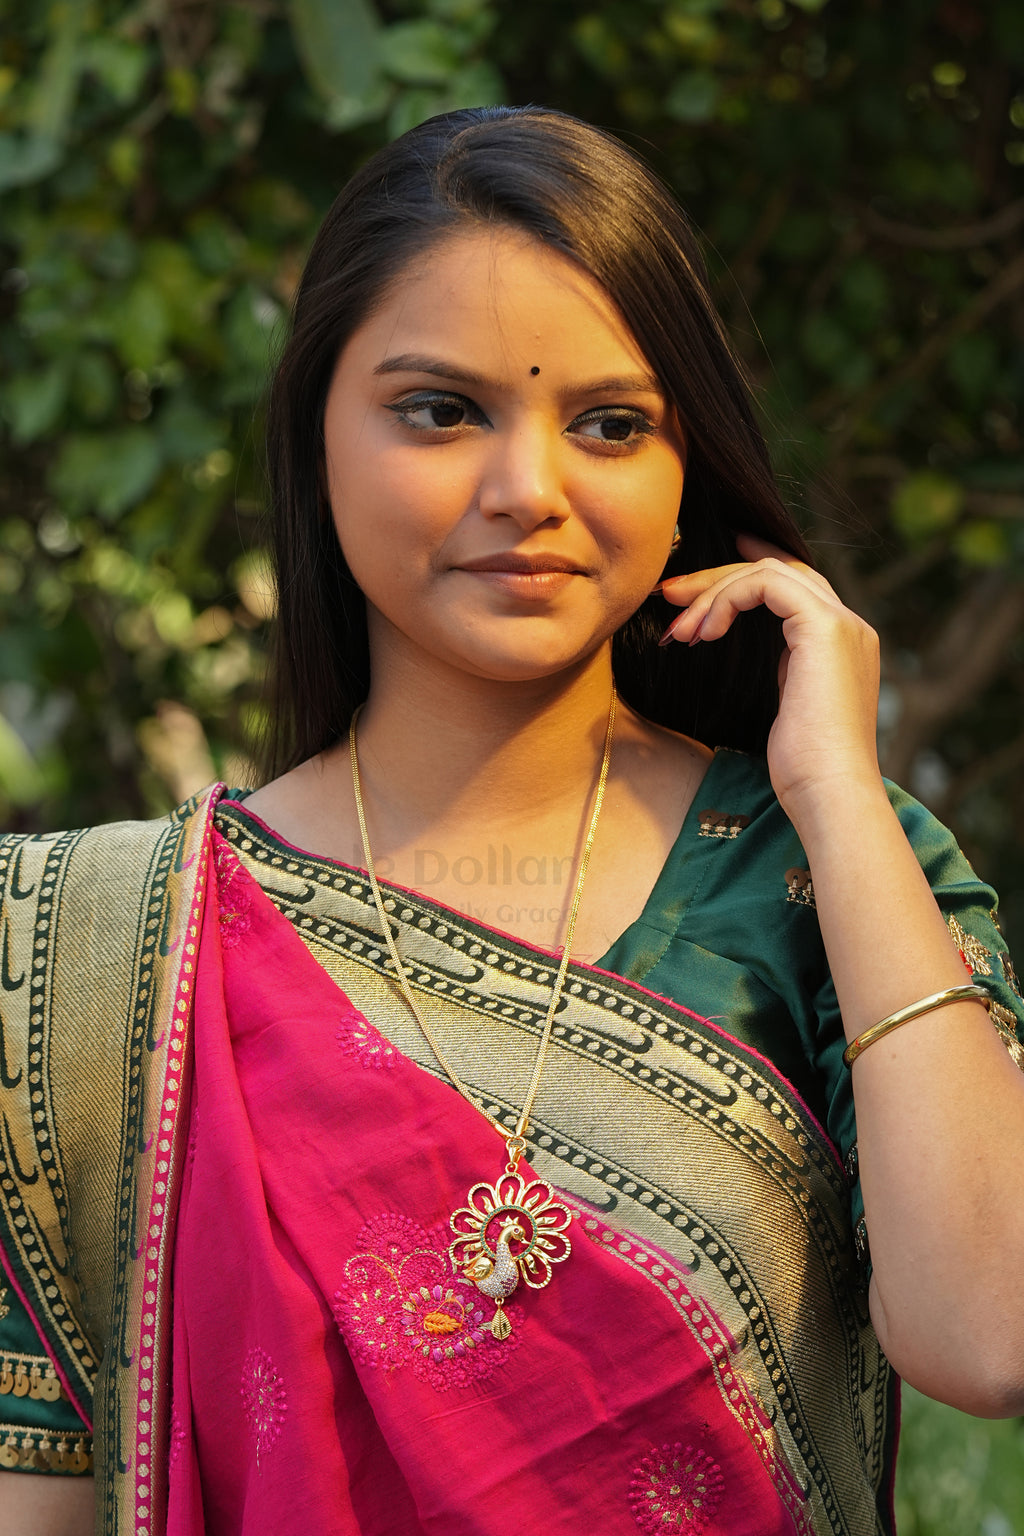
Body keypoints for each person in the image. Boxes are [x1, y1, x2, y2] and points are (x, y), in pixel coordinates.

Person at [1, 105, 1022, 1536]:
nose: (526, 492)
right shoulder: (95, 962)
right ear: (316, 443)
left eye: (610, 424)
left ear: (686, 475)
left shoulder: (828, 873)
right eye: (440, 411)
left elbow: (989, 1334)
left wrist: (841, 795)